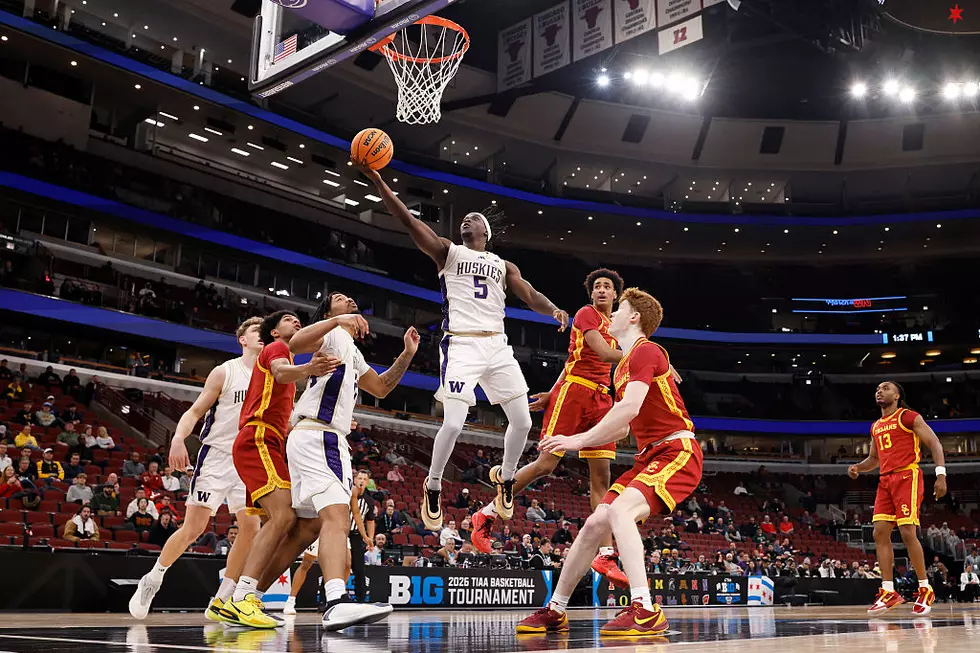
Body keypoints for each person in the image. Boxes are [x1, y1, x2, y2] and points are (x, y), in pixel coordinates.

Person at [360, 162, 569, 531]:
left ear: (486, 231)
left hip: (497, 346)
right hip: (461, 346)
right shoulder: (448, 252)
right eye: (463, 220)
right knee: (454, 423)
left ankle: (505, 477)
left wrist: (553, 308)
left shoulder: (503, 265)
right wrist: (380, 183)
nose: (466, 222)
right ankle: (434, 483)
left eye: (473, 219)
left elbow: (530, 294)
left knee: (522, 420)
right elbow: (409, 223)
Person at [517, 288, 702, 637]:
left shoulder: (646, 350)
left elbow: (628, 409)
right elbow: (619, 421)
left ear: (634, 317)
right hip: (649, 456)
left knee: (618, 514)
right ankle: (555, 609)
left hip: (677, 451)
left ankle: (646, 609)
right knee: (594, 523)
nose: (611, 314)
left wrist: (577, 440)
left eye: (619, 309)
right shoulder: (623, 367)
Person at [272, 292, 418, 630]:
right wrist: (336, 320)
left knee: (303, 530)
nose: (351, 300)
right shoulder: (331, 331)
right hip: (321, 435)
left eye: (352, 299)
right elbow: (294, 343)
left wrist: (407, 355)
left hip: (314, 437)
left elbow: (381, 387)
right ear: (327, 310)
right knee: (337, 517)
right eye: (340, 299)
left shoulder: (351, 349)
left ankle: (243, 595)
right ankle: (336, 601)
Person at [129, 318, 267, 622]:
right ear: (242, 339)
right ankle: (153, 578)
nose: (264, 337)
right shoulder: (225, 371)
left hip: (249, 460)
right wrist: (178, 438)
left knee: (251, 529)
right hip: (217, 456)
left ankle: (221, 599)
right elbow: (194, 411)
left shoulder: (270, 376)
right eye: (258, 332)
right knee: (194, 529)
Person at [848, 381, 946, 617]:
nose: (879, 391)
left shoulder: (908, 417)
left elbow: (934, 443)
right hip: (885, 480)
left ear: (897, 395)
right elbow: (874, 459)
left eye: (886, 388)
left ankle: (925, 588)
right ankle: (889, 590)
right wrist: (858, 468)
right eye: (877, 389)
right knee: (879, 532)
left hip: (907, 476)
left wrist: (940, 474)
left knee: (907, 532)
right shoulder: (876, 426)